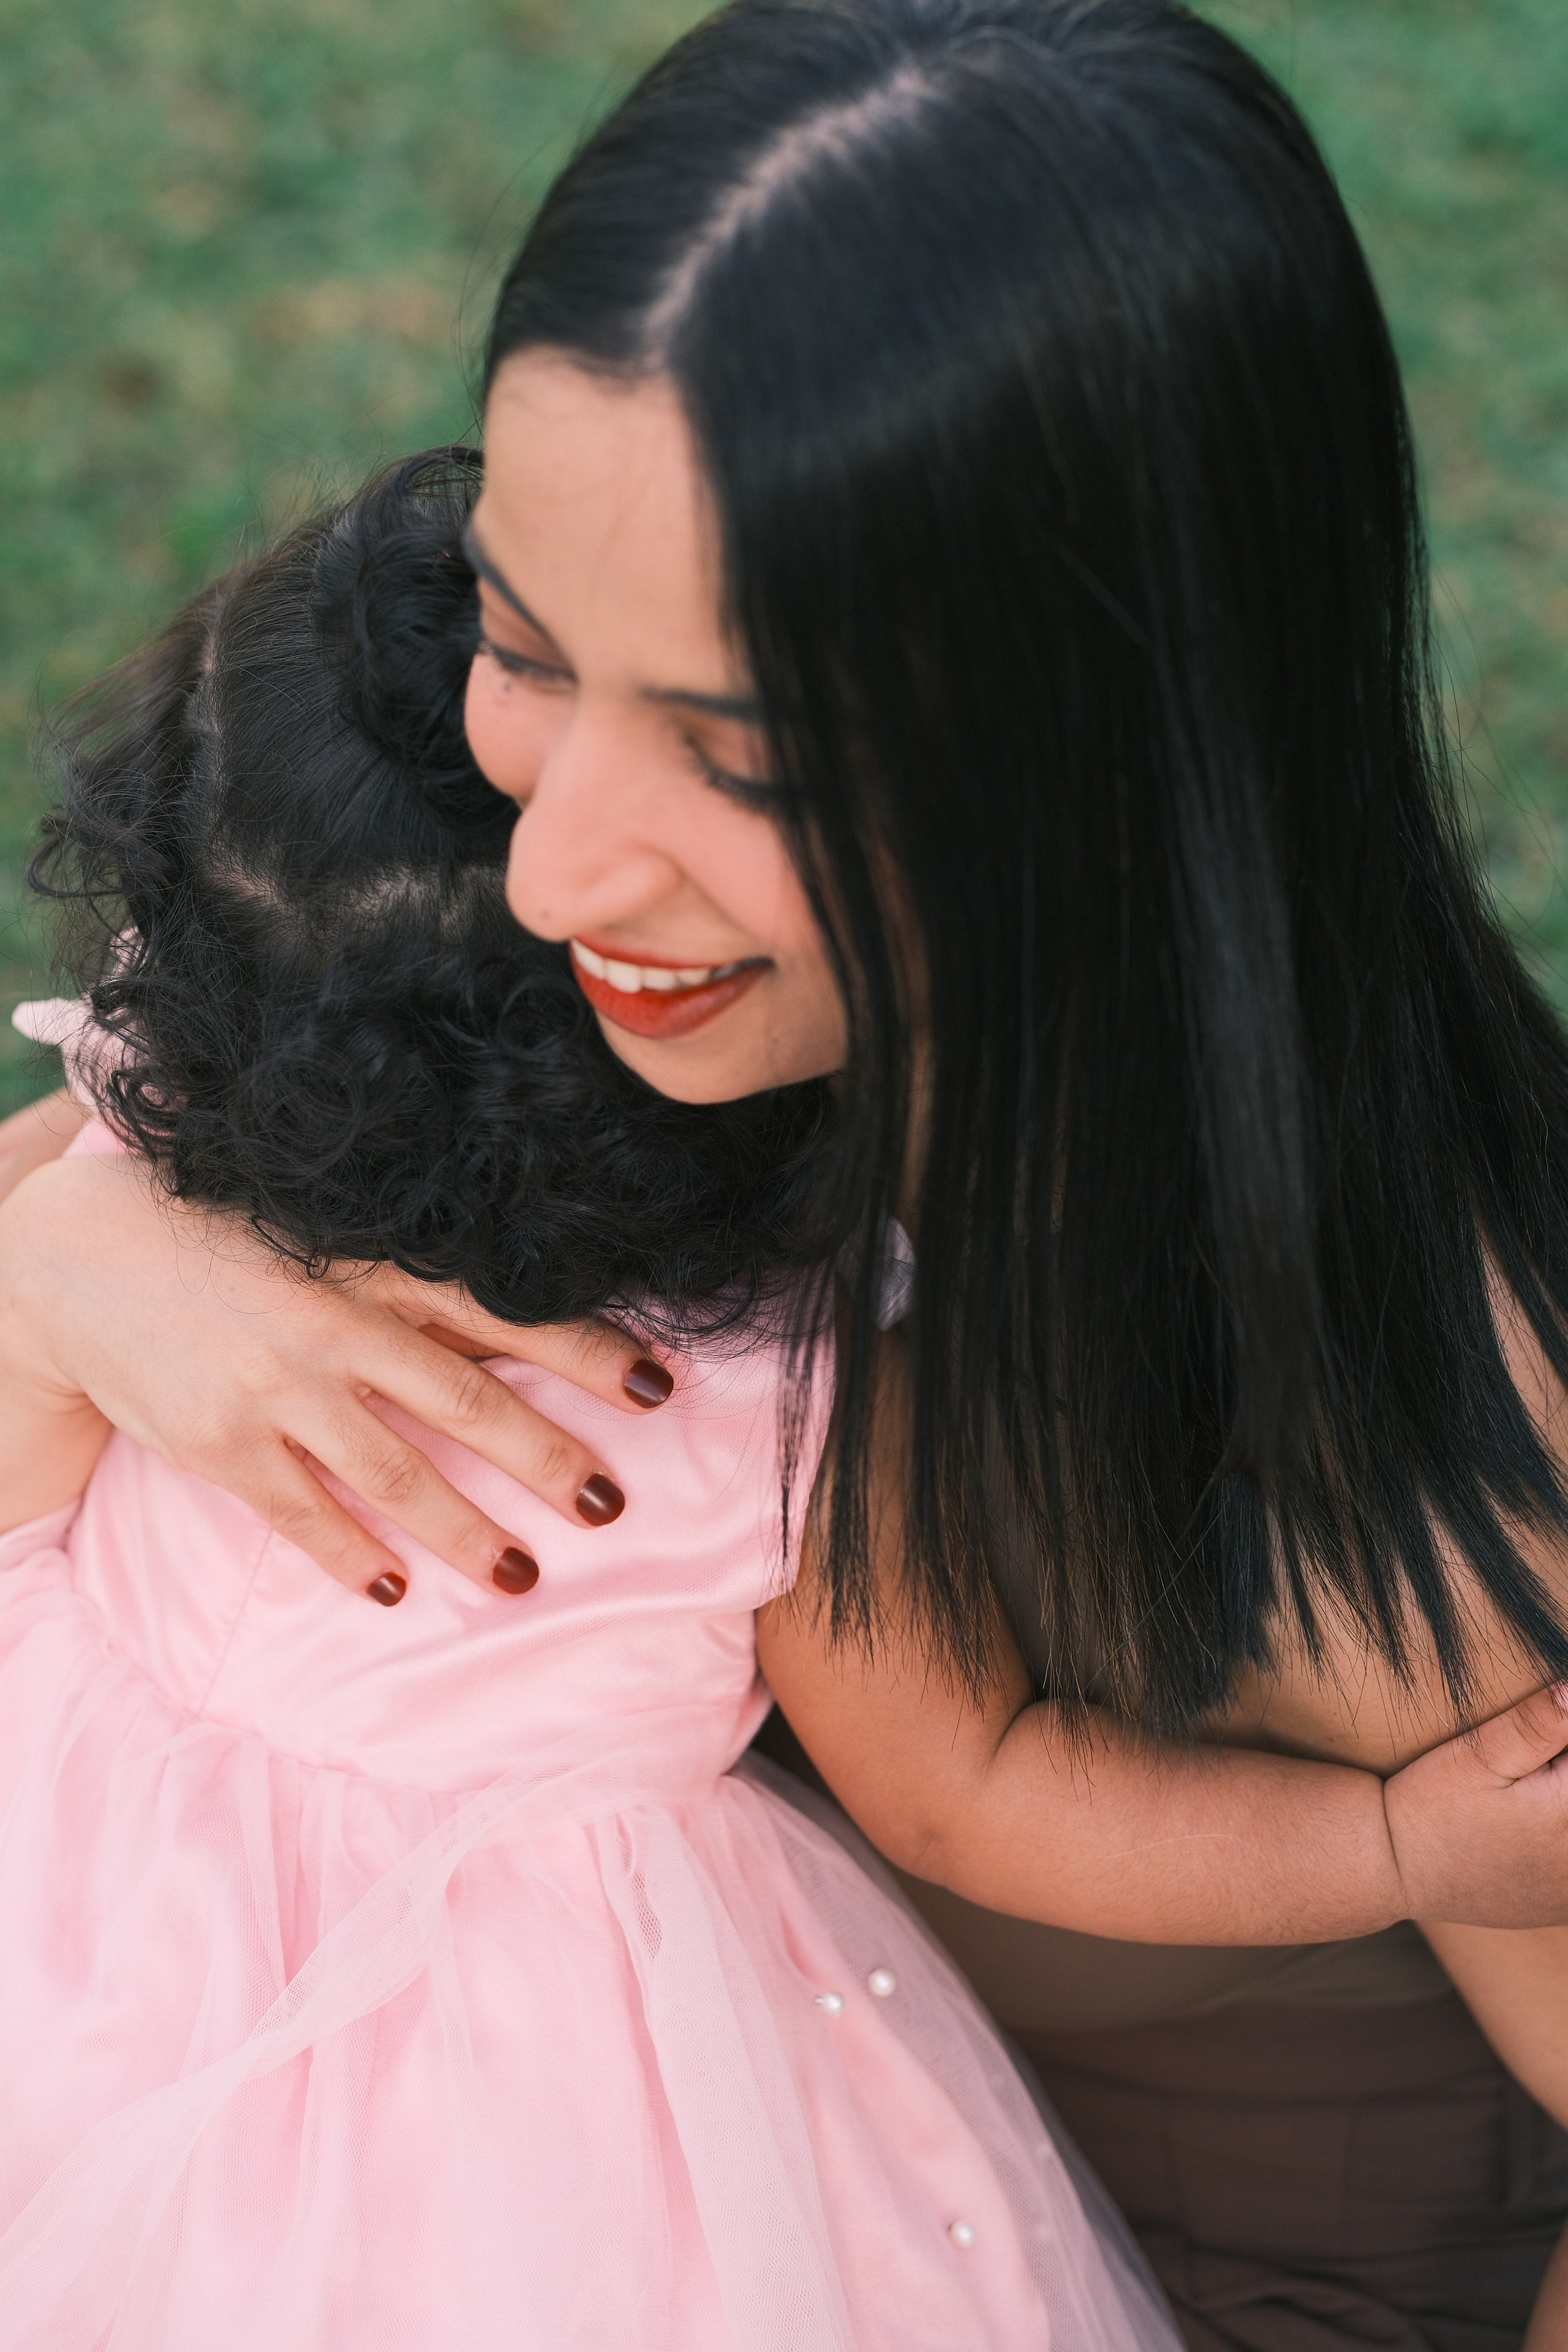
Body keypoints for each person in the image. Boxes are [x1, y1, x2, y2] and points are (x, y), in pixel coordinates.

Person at [6, 1, 1568, 2341]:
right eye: (528, 651)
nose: (552, 876)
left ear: (1121, 761)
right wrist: (79, 1262)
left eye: (746, 752)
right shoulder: (638, 1010)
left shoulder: (1433, 1438)